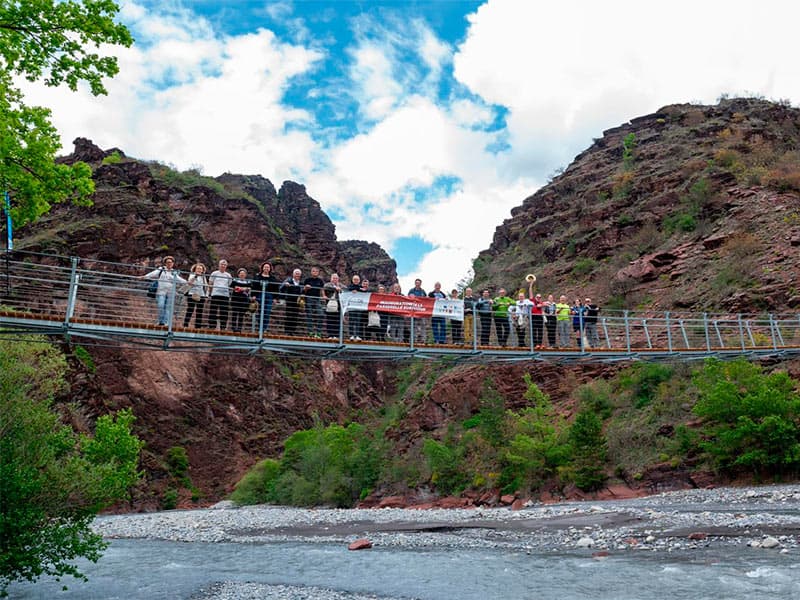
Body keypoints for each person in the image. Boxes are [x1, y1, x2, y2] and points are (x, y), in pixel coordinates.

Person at [143, 255, 187, 326]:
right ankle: (161, 321)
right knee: (161, 305)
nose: (169, 264)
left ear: (173, 263)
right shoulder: (161, 269)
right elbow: (153, 274)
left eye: (171, 262)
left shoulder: (174, 272)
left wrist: (188, 282)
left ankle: (166, 323)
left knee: (168, 308)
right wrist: (144, 276)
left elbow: (180, 280)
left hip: (170, 293)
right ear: (165, 263)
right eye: (167, 262)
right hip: (161, 292)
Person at [252, 261, 278, 333]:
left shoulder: (273, 278)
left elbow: (276, 288)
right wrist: (253, 295)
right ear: (262, 268)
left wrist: (275, 298)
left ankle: (264, 329)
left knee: (267, 312)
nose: (266, 268)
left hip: (269, 296)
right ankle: (260, 327)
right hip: (259, 295)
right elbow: (254, 286)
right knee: (260, 312)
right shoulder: (257, 276)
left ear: (270, 269)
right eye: (265, 267)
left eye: (268, 267)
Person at [207, 259, 232, 330]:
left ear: (226, 266)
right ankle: (212, 326)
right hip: (215, 294)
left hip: (225, 295)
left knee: (224, 312)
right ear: (219, 265)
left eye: (225, 265)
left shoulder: (228, 275)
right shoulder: (214, 273)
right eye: (222, 264)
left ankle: (223, 327)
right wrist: (209, 293)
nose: (223, 266)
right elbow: (210, 283)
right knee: (213, 310)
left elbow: (229, 284)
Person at [183, 262, 208, 328]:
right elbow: (190, 282)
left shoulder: (203, 277)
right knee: (190, 309)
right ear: (195, 269)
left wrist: (206, 295)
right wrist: (195, 276)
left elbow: (205, 286)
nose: (199, 270)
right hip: (192, 294)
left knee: (200, 311)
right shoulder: (192, 275)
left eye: (200, 269)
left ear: (203, 270)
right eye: (198, 268)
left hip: (201, 295)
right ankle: (185, 324)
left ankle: (198, 326)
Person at [280, 268, 304, 336]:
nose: (297, 275)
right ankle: (287, 331)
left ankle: (292, 331)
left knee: (295, 316)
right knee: (289, 315)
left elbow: (302, 292)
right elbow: (281, 288)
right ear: (293, 274)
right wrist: (285, 285)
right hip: (289, 300)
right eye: (296, 273)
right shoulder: (288, 281)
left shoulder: (301, 283)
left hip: (297, 301)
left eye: (299, 274)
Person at [303, 266, 325, 338]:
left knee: (321, 314)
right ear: (311, 272)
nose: (315, 272)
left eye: (316, 271)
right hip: (308, 298)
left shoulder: (320, 280)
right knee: (309, 315)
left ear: (318, 273)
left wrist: (324, 296)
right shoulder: (307, 280)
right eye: (313, 271)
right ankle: (311, 332)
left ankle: (318, 332)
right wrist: (306, 288)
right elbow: (303, 290)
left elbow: (322, 289)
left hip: (317, 299)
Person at [229, 268, 252, 333]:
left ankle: (239, 328)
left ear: (245, 275)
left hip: (244, 300)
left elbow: (249, 289)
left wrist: (241, 289)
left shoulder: (248, 282)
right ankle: (233, 327)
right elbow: (234, 288)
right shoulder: (234, 280)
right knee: (234, 313)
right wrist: (243, 289)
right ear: (238, 274)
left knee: (241, 314)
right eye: (241, 274)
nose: (242, 275)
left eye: (243, 274)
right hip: (235, 299)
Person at [323, 273, 343, 339]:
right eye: (333, 278)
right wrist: (335, 288)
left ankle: (336, 335)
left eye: (336, 278)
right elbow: (325, 287)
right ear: (331, 279)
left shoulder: (340, 285)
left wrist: (340, 288)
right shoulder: (328, 284)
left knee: (337, 320)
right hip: (329, 305)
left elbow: (345, 288)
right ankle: (330, 335)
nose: (335, 279)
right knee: (329, 320)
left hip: (338, 306)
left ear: (338, 279)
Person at [407, 278, 427, 344]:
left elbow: (427, 300)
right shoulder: (411, 291)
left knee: (423, 325)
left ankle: (423, 340)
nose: (417, 284)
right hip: (414, 311)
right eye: (416, 283)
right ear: (415, 283)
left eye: (419, 283)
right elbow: (407, 299)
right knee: (414, 326)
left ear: (420, 284)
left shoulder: (423, 291)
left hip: (422, 311)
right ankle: (414, 340)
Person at [347, 274, 365, 340]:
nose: (356, 281)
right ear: (352, 280)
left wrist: (358, 290)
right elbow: (348, 289)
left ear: (359, 280)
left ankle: (357, 335)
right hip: (351, 306)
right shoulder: (350, 286)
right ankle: (351, 335)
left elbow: (365, 290)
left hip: (359, 306)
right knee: (351, 321)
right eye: (354, 279)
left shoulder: (361, 287)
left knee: (358, 321)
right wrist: (354, 290)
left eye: (357, 279)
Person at [528, 281, 545, 348]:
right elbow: (530, 293)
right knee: (534, 331)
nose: (538, 298)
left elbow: (543, 305)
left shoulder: (541, 302)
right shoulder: (532, 301)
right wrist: (531, 285)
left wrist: (542, 305)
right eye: (537, 297)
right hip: (533, 316)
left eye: (539, 297)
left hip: (540, 317)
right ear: (535, 297)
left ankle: (540, 344)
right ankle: (535, 344)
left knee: (540, 331)